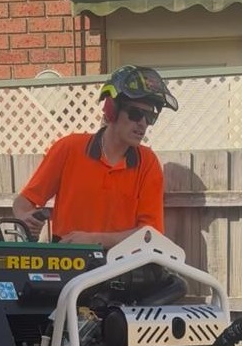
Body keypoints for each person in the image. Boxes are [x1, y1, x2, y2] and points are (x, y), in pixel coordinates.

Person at [12, 65, 178, 249]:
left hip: (122, 264)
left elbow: (150, 233)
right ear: (111, 109)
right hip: (69, 260)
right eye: (136, 114)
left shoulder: (147, 162)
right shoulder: (69, 148)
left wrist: (93, 240)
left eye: (150, 117)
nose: (143, 124)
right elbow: (23, 202)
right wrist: (25, 218)